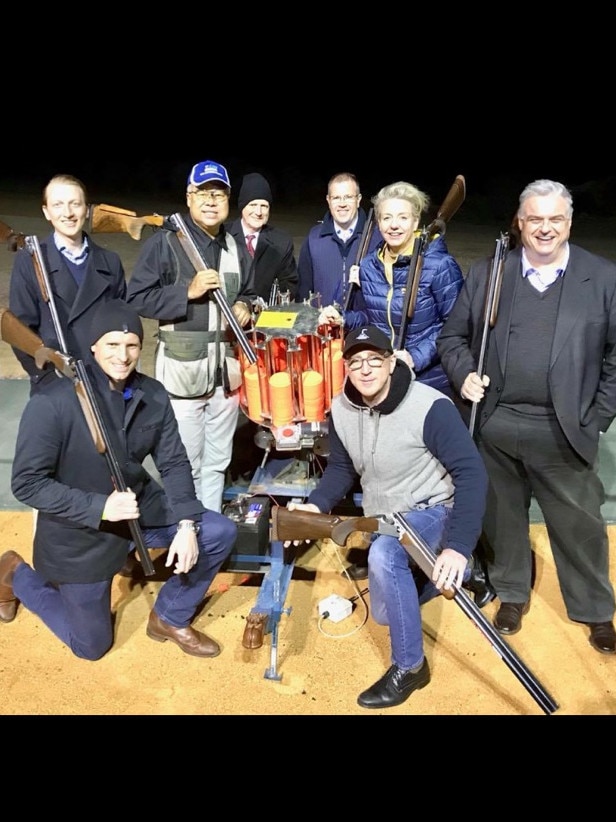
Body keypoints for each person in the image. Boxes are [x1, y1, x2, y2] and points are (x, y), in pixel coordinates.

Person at [437, 178, 616, 654]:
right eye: (534, 219)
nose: (544, 228)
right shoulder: (490, 272)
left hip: (565, 429)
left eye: (555, 219)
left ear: (569, 223)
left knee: (580, 525)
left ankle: (595, 609)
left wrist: (596, 416)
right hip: (496, 424)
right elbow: (452, 338)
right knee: (502, 519)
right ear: (519, 222)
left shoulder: (602, 278)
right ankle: (512, 592)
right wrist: (463, 377)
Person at [2, 300, 237, 660]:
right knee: (91, 647)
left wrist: (188, 524)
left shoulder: (153, 393)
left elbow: (173, 463)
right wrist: (100, 507)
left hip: (137, 509)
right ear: (94, 346)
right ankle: (15, 573)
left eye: (131, 345)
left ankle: (169, 616)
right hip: (80, 532)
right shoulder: (53, 402)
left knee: (217, 531)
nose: (123, 355)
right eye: (112, 344)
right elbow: (28, 484)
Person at [285, 325, 488, 709]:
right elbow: (342, 470)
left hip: (433, 510)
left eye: (374, 360)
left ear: (391, 363)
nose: (364, 370)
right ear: (345, 367)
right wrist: (316, 505)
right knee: (382, 612)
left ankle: (411, 667)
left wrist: (458, 547)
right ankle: (466, 574)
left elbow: (472, 474)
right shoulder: (342, 409)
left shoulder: (430, 407)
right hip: (384, 519)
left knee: (384, 557)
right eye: (355, 361)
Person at [320, 180, 470, 583]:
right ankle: (390, 543)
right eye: (386, 217)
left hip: (430, 380)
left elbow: (453, 326)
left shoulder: (438, 265)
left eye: (402, 217)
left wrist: (413, 356)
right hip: (387, 379)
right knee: (388, 464)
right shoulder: (370, 264)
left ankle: (456, 553)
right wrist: (343, 320)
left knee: (436, 476)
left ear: (416, 219)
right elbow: (370, 320)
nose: (393, 224)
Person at [126, 159, 257, 513]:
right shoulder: (166, 244)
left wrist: (245, 305)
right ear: (189, 197)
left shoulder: (234, 245)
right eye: (203, 193)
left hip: (225, 376)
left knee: (217, 463)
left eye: (219, 193)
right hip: (183, 375)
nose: (212, 200)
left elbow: (248, 289)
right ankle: (185, 533)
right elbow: (136, 298)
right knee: (184, 465)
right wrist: (187, 290)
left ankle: (209, 531)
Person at [8, 173, 127, 395]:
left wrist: (117, 375)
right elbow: (21, 331)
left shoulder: (110, 261)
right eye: (58, 205)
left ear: (87, 209)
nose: (68, 213)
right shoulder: (31, 260)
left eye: (75, 204)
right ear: (46, 212)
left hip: (104, 382)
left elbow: (121, 326)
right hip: (54, 385)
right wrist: (45, 376)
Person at [296, 171, 381, 308]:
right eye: (336, 198)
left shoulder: (377, 238)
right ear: (328, 200)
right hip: (324, 325)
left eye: (348, 197)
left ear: (358, 200)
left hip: (364, 325)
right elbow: (303, 291)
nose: (342, 204)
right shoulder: (314, 238)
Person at [226, 171, 298, 303]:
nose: (258, 212)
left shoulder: (281, 241)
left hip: (266, 315)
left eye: (264, 206)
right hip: (229, 313)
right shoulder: (224, 235)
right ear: (242, 207)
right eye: (253, 205)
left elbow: (290, 283)